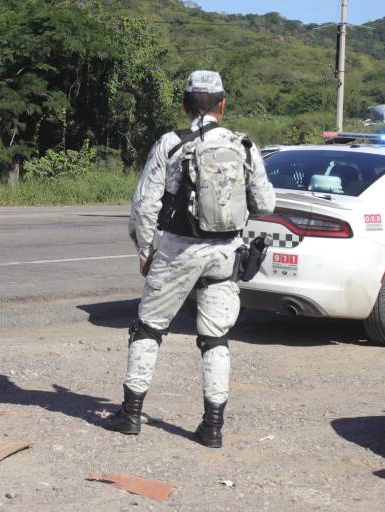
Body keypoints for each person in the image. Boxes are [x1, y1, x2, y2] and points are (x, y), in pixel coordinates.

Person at [105, 70, 276, 448]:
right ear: (222, 105)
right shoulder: (244, 144)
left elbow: (144, 206)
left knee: (148, 329)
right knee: (216, 339)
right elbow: (266, 204)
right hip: (225, 253)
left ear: (184, 105)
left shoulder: (170, 144)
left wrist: (145, 251)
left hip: (176, 251)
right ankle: (212, 427)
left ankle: (130, 415)